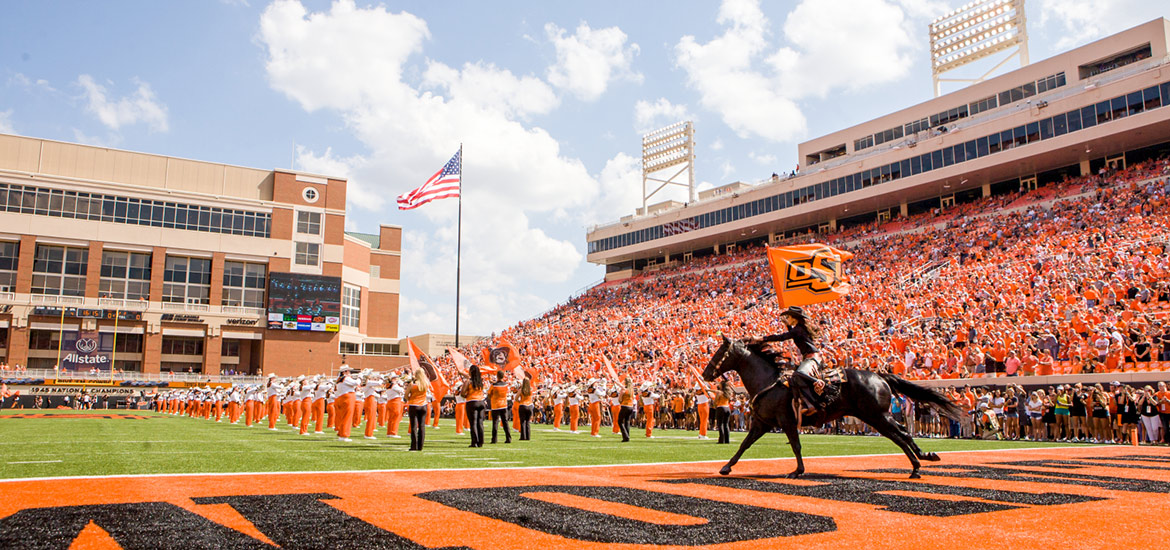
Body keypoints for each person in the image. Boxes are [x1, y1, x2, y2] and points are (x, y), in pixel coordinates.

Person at [747, 306, 830, 419]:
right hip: (811, 357)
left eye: (788, 317)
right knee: (796, 377)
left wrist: (761, 338)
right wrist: (788, 325)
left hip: (812, 357)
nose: (787, 318)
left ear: (794, 318)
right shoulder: (799, 328)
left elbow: (782, 337)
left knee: (799, 374)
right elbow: (792, 334)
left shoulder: (798, 329)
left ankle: (817, 386)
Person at [462, 365, 486, 447]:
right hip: (481, 402)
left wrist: (466, 395)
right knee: (480, 423)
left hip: (472, 402)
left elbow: (462, 393)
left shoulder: (469, 381)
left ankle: (474, 442)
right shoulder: (480, 381)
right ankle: (481, 442)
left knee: (473, 423)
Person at [405, 367, 428, 451]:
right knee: (422, 426)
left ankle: (413, 445)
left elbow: (406, 395)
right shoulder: (426, 383)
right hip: (423, 405)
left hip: (414, 405)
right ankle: (420, 446)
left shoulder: (412, 384)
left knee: (414, 426)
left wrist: (410, 399)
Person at [488, 370, 511, 444]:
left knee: (495, 422)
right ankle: (508, 438)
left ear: (497, 376)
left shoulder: (493, 385)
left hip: (495, 405)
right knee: (505, 422)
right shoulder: (506, 385)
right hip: (504, 405)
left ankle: (494, 439)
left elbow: (489, 394)